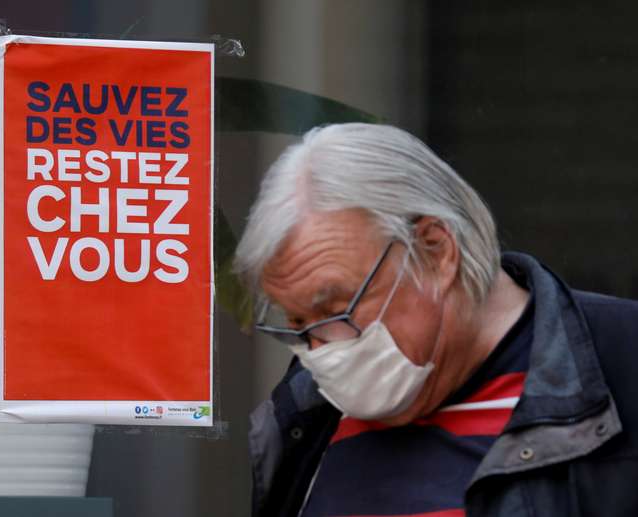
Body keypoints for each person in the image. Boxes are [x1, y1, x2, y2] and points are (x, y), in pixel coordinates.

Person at [233, 123, 638, 517]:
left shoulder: (620, 364)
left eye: (337, 309)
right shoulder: (305, 417)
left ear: (435, 250)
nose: (321, 351)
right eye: (298, 324)